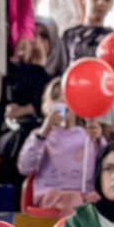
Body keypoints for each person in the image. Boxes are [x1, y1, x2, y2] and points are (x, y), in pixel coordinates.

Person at [19, 77, 96, 212]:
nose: (62, 101)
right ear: (47, 104)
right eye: (56, 97)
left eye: (67, 96)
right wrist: (44, 133)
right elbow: (25, 167)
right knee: (73, 200)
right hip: (51, 195)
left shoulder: (88, 135)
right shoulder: (40, 135)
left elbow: (102, 166)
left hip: (86, 195)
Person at [53, 0, 114, 74]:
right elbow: (59, 68)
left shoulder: (113, 38)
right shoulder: (69, 35)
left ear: (112, 5)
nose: (101, 3)